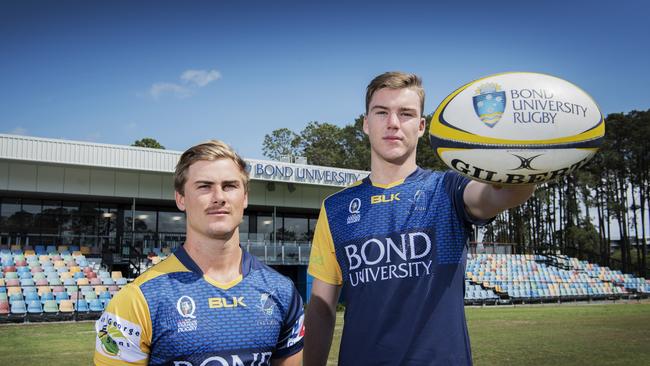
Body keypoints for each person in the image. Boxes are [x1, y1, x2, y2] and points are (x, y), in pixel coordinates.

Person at [304, 72, 536, 365]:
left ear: (421, 126)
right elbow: (322, 307)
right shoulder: (336, 208)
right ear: (365, 123)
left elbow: (501, 195)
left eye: (406, 113)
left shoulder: (448, 190)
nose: (393, 123)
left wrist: (525, 160)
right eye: (381, 112)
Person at [94, 140, 304, 366]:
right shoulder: (138, 298)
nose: (219, 197)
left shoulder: (282, 291)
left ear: (244, 198)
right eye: (204, 186)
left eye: (230, 186)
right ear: (181, 199)